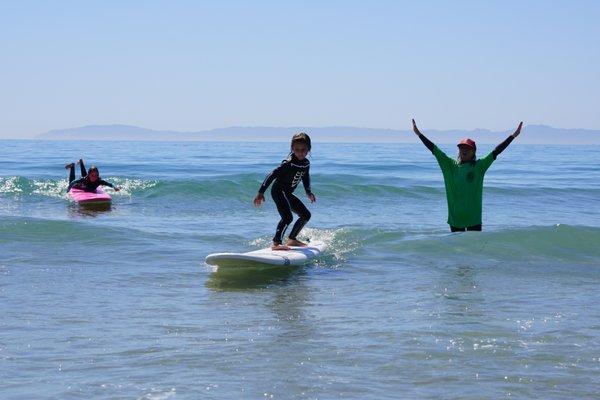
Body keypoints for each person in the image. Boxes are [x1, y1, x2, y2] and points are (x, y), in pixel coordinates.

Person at [412, 119, 522, 232]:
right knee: (457, 249)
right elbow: (434, 149)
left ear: (473, 151)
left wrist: (513, 136)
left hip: (474, 219)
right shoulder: (449, 166)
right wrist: (419, 134)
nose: (464, 150)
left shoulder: (480, 166)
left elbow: (496, 151)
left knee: (474, 249)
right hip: (456, 219)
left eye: (468, 148)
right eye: (461, 148)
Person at [253, 133, 316, 250]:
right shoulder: (288, 163)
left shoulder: (306, 163)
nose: (300, 152)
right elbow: (272, 175)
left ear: (308, 149)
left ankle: (292, 239)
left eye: (303, 149)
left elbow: (305, 176)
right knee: (287, 217)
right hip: (278, 191)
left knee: (306, 215)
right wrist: (261, 192)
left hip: (287, 193)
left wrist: (308, 192)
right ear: (292, 148)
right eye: (297, 149)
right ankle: (276, 244)